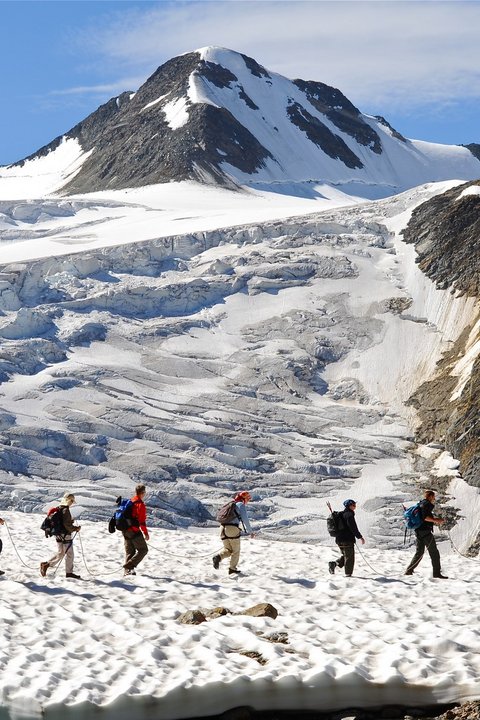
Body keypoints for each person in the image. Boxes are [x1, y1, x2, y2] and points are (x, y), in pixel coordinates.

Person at [404, 489, 447, 578]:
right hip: (425, 531)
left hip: (418, 531)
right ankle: (436, 573)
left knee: (419, 552)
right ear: (430, 496)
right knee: (434, 552)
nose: (434, 498)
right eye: (433, 496)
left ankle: (409, 570)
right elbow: (425, 517)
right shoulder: (426, 504)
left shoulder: (420, 503)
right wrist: (436, 520)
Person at [40, 493, 82, 579]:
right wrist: (75, 528)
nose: (71, 503)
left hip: (58, 534)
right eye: (72, 501)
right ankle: (69, 573)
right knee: (69, 554)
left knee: (61, 552)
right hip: (65, 535)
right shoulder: (66, 510)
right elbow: (67, 525)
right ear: (69, 501)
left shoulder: (59, 508)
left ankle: (46, 564)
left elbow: (63, 522)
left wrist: (70, 522)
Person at [212, 491, 254, 575]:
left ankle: (218, 557)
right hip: (232, 529)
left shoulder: (231, 504)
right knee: (236, 551)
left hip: (222, 528)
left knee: (228, 549)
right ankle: (232, 569)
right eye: (247, 499)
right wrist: (251, 532)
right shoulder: (240, 505)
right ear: (244, 499)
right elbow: (245, 519)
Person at [328, 499, 365, 577]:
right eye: (354, 505)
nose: (355, 506)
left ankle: (334, 564)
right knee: (349, 557)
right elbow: (353, 527)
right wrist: (360, 537)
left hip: (339, 539)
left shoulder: (341, 514)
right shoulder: (349, 515)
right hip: (347, 539)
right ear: (350, 505)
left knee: (346, 555)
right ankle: (348, 575)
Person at [123, 484, 149, 576]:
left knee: (130, 551)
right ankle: (129, 566)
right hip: (133, 530)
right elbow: (142, 521)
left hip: (125, 529)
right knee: (143, 550)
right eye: (144, 492)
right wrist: (146, 533)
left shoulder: (131, 501)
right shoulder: (140, 504)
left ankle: (127, 571)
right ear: (142, 493)